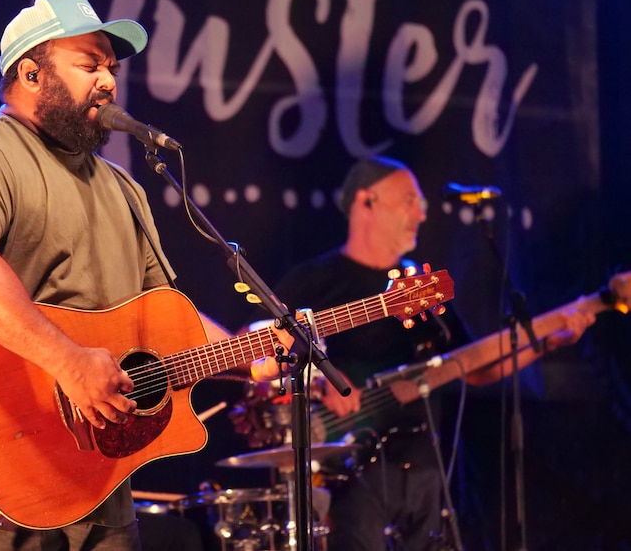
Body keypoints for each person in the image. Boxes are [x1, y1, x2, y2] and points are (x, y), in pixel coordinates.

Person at [0, 0, 286, 551]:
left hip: (99, 483)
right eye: (89, 64)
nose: (108, 80)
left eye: (111, 67)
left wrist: (251, 356)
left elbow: (165, 320)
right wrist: (70, 362)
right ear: (31, 74)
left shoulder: (125, 189)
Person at [235, 156, 596, 551]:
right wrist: (322, 381)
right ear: (366, 201)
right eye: (408, 200)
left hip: (423, 471)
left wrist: (545, 341)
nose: (421, 214)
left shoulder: (416, 288)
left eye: (421, 204)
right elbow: (250, 346)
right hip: (349, 478)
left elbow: (472, 367)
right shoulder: (316, 280)